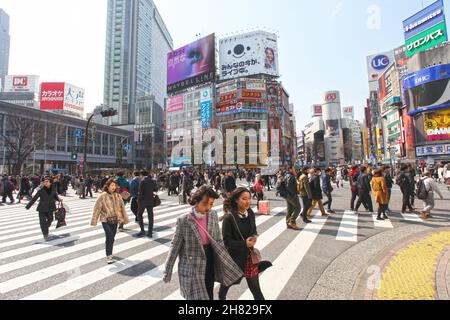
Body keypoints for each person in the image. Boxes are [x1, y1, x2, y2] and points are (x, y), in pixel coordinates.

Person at [163, 186, 243, 300]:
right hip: (192, 265)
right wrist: (168, 270)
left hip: (209, 258)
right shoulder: (184, 220)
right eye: (205, 203)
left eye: (211, 203)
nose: (208, 207)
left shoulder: (212, 214)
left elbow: (218, 239)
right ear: (196, 201)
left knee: (208, 292)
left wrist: (225, 258)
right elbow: (174, 246)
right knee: (194, 296)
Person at [219, 188, 265, 300]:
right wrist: (244, 243)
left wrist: (254, 236)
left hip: (249, 258)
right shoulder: (229, 218)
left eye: (249, 198)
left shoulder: (250, 213)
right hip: (234, 260)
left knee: (256, 290)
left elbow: (253, 229)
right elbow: (227, 241)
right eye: (244, 199)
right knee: (225, 287)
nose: (248, 201)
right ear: (236, 200)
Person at [90, 179, 129, 264]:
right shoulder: (102, 196)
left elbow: (122, 208)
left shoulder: (118, 196)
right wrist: (94, 220)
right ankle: (109, 255)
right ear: (107, 186)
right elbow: (97, 209)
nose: (113, 187)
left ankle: (109, 251)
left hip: (115, 220)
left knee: (112, 238)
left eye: (114, 186)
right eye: (111, 185)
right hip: (105, 220)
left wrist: (124, 219)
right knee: (109, 236)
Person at [137, 170, 159, 238]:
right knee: (150, 216)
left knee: (139, 214)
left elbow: (140, 192)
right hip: (150, 200)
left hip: (143, 201)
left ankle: (142, 230)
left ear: (141, 175)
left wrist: (138, 200)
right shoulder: (153, 181)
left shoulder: (142, 181)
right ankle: (150, 232)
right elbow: (156, 189)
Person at [285, 166, 302, 230]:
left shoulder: (287, 175)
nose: (296, 170)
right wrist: (295, 193)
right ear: (290, 169)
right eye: (294, 169)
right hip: (292, 195)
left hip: (287, 195)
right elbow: (289, 186)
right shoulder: (291, 176)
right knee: (298, 208)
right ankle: (291, 222)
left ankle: (288, 223)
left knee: (290, 209)